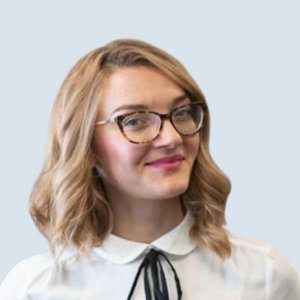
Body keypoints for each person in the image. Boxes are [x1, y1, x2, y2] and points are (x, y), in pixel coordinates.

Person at [0, 39, 299, 300]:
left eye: (181, 113)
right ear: (86, 146)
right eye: (133, 120)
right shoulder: (35, 288)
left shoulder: (265, 274)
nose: (172, 138)